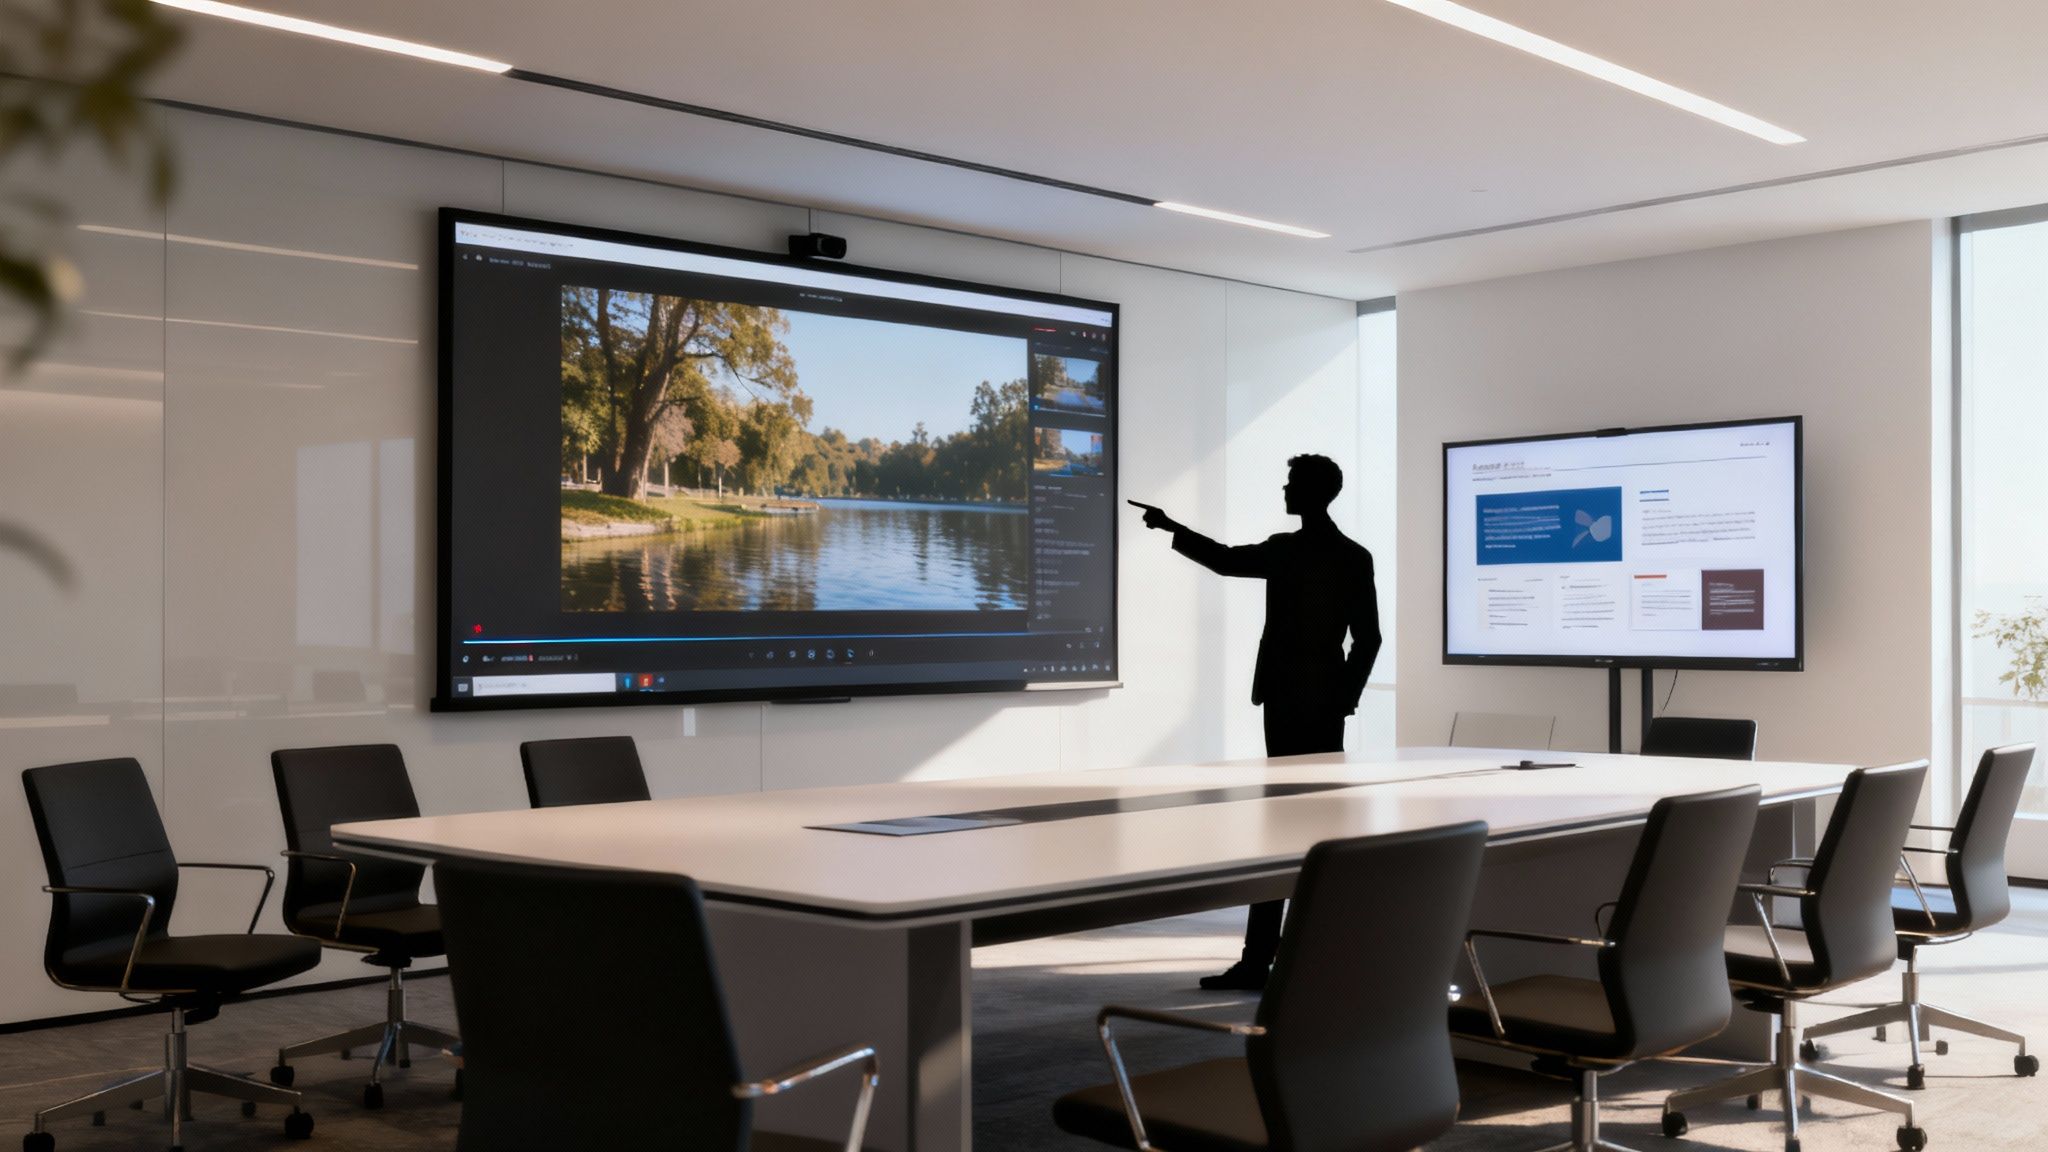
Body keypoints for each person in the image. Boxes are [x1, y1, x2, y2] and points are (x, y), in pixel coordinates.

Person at [1132, 454, 1380, 991]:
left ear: (1312, 493)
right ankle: (1295, 957)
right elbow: (1368, 639)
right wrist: (1344, 698)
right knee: (1308, 829)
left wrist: (1173, 528)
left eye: (1291, 483)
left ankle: (1260, 960)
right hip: (1320, 704)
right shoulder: (1351, 556)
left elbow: (1223, 561)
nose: (1284, 489)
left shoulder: (1289, 550)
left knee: (1283, 830)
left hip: (1290, 700)